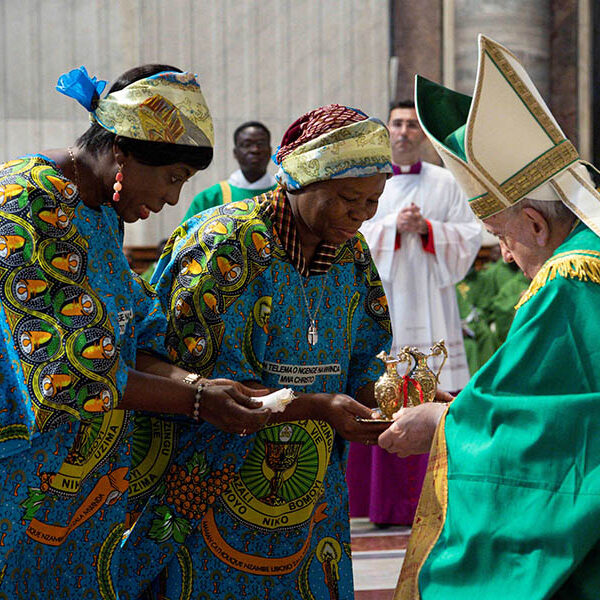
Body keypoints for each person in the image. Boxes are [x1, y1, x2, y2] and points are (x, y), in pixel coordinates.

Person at [0, 64, 271, 598]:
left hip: (83, 482)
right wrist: (197, 401)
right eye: (172, 178)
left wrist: (198, 387)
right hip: (19, 475)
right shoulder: (25, 203)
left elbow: (134, 333)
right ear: (122, 151)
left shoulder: (101, 210)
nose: (173, 200)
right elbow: (72, 373)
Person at [128, 104, 395, 599]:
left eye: (374, 200)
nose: (361, 214)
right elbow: (199, 383)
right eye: (348, 198)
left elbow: (365, 355)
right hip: (209, 480)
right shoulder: (226, 243)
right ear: (299, 182)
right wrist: (318, 405)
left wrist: (394, 398)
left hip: (308, 491)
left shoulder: (351, 253)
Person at [379, 35, 600, 599]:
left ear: (534, 223)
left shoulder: (567, 279)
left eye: (501, 235)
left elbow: (548, 430)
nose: (503, 254)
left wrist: (443, 424)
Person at [346, 100, 481, 527]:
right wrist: (389, 227)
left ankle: (436, 500)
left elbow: (471, 234)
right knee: (381, 388)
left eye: (412, 125)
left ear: (422, 134)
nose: (404, 131)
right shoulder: (369, 180)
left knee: (435, 387)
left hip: (431, 301)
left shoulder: (446, 182)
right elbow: (348, 234)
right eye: (397, 124)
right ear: (387, 132)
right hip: (382, 302)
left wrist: (428, 230)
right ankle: (381, 503)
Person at [182, 120, 277, 220]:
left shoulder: (284, 195)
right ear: (235, 153)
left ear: (270, 151)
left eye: (261, 144)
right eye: (247, 144)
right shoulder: (209, 199)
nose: (255, 150)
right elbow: (186, 235)